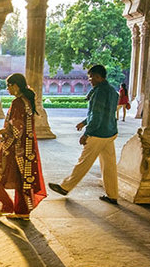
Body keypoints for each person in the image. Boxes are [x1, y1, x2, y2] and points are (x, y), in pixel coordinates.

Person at [48, 64, 120, 204]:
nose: (90, 80)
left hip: (98, 134)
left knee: (84, 162)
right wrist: (84, 122)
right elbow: (104, 113)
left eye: (91, 77)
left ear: (98, 77)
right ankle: (113, 195)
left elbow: (97, 115)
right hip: (110, 132)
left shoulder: (99, 92)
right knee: (109, 166)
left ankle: (65, 187)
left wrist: (87, 133)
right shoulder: (111, 91)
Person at [0, 73, 48, 219]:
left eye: (9, 86)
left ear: (16, 85)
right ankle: (22, 211)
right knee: (21, 179)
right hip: (26, 148)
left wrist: (5, 136)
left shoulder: (18, 102)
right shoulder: (26, 101)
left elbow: (18, 128)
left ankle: (7, 205)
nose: (8, 89)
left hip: (14, 147)